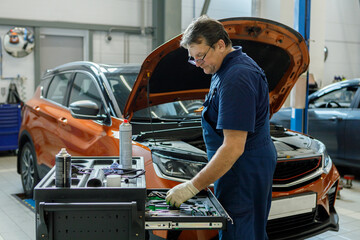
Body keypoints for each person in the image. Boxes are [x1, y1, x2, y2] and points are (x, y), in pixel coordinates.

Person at [165, 15, 277, 240]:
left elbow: (233, 147)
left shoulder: (237, 77)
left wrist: (192, 186)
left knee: (242, 233)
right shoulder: (225, 68)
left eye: (200, 56)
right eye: (192, 58)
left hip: (242, 171)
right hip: (240, 169)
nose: (197, 64)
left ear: (220, 44)